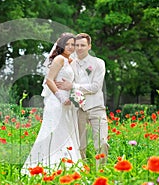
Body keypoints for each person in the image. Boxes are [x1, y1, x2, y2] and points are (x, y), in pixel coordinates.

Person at [21, 33, 81, 174]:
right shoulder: (59, 59)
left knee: (65, 132)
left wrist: (74, 93)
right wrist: (61, 97)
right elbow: (49, 80)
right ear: (61, 45)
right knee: (54, 131)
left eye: (73, 44)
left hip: (67, 101)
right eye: (68, 44)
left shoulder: (70, 61)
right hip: (56, 101)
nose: (70, 47)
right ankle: (48, 165)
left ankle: (66, 165)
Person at [56, 33, 109, 167]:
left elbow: (96, 87)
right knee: (80, 146)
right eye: (77, 45)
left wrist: (73, 86)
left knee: (102, 142)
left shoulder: (98, 63)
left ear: (89, 46)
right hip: (77, 109)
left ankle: (100, 172)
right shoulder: (69, 64)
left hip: (97, 108)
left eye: (82, 45)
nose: (79, 48)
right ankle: (84, 173)